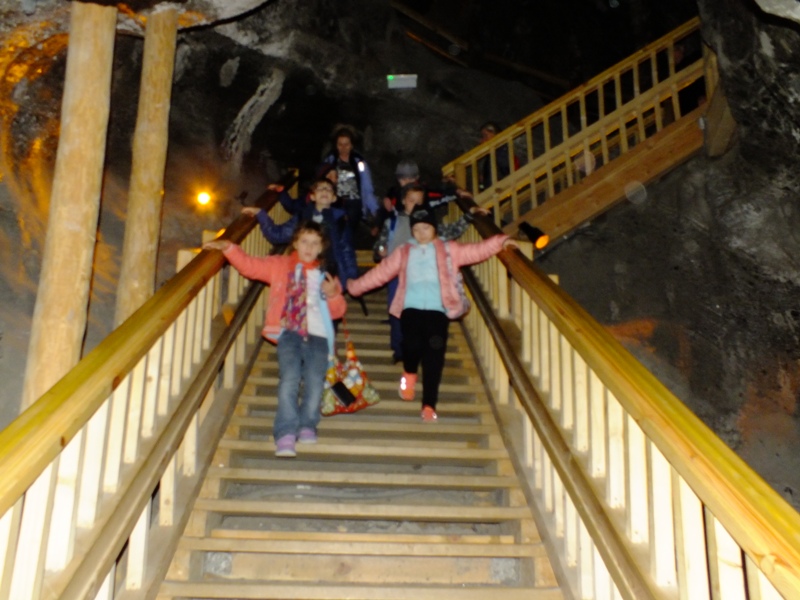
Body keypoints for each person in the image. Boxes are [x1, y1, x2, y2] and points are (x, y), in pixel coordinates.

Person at [347, 208, 517, 422]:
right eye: (416, 229)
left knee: (434, 357)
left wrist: (501, 241)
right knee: (411, 345)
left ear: (435, 228)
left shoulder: (449, 249)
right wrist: (355, 287)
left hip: (438, 310)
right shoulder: (404, 251)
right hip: (410, 307)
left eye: (426, 228)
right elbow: (381, 273)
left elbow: (476, 251)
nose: (421, 233)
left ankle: (429, 404)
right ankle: (409, 373)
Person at [203, 222, 347, 457]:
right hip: (288, 332)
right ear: (295, 243)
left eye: (315, 243)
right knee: (289, 379)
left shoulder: (325, 274)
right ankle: (285, 433)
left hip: (318, 335)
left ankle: (308, 425)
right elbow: (250, 266)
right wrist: (229, 248)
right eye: (304, 241)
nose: (309, 247)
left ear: (321, 248)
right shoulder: (279, 265)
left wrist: (333, 295)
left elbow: (338, 312)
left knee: (314, 381)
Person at [373, 183, 489, 363]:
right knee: (397, 314)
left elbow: (451, 231)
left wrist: (469, 215)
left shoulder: (429, 224)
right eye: (411, 200)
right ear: (403, 201)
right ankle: (399, 349)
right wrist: (381, 250)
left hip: (422, 278)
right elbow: (379, 245)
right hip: (397, 275)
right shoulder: (393, 223)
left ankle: (418, 347)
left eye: (419, 201)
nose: (415, 204)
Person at [242, 177, 359, 287]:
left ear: (334, 198)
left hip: (329, 275)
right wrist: (260, 214)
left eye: (328, 189)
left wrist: (351, 277)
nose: (324, 190)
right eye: (320, 188)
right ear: (312, 196)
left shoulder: (340, 221)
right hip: (303, 274)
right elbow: (277, 234)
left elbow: (347, 250)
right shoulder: (302, 217)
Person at [318, 126, 379, 239]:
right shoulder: (330, 160)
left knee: (349, 223)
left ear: (352, 145)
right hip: (335, 200)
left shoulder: (359, 162)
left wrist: (374, 209)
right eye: (340, 144)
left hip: (353, 201)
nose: (343, 148)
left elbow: (367, 186)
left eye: (346, 144)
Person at [478, 121, 517, 191]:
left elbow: (505, 171)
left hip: (500, 190)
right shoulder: (491, 156)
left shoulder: (502, 152)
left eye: (485, 136)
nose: (482, 141)